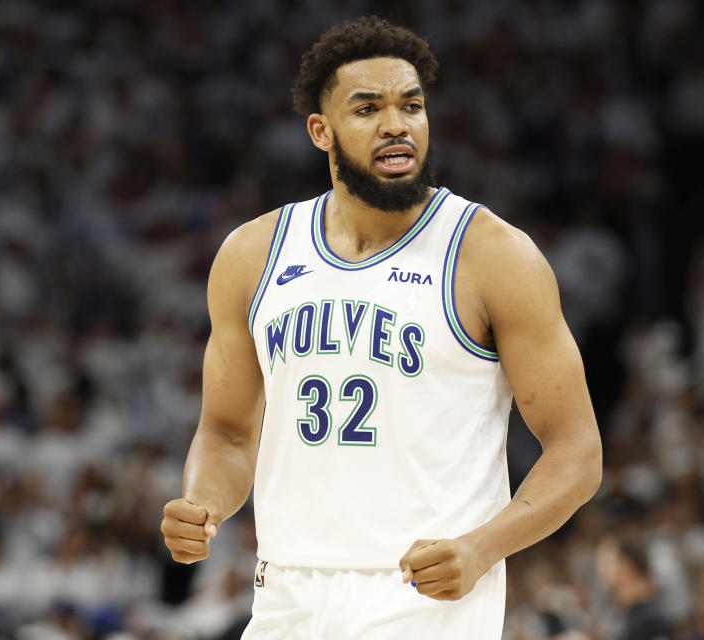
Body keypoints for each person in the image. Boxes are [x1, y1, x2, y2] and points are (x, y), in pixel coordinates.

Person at [160, 16, 602, 639]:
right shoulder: (253, 255)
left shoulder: (491, 254)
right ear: (321, 130)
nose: (397, 124)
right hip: (288, 589)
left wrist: (483, 547)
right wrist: (203, 503)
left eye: (411, 105)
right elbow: (228, 432)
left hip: (423, 595)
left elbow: (577, 450)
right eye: (367, 108)